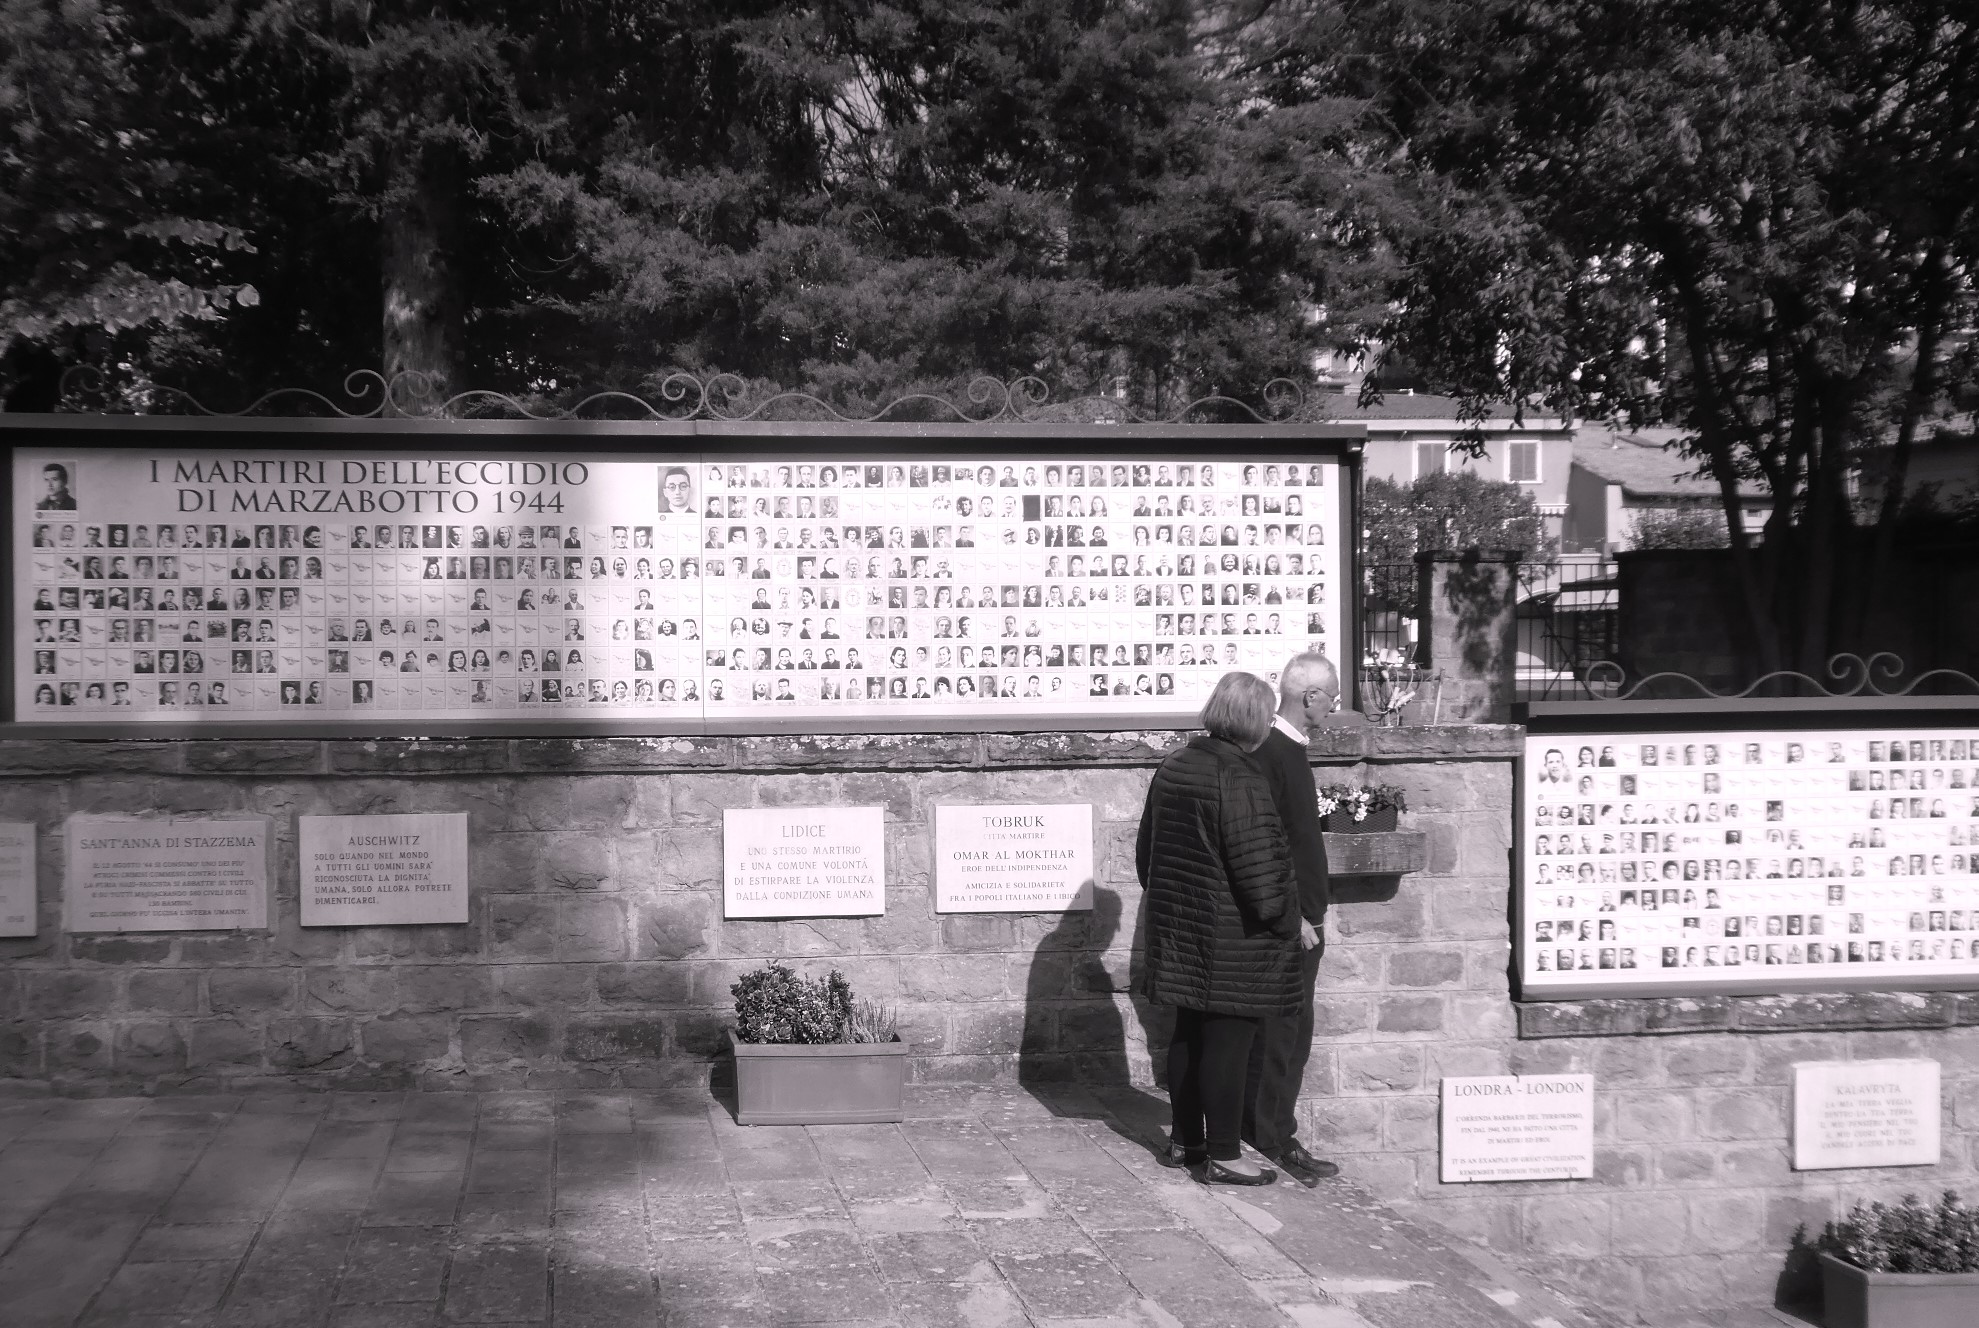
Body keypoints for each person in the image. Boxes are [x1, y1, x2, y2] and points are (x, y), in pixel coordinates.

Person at [1137, 671, 1303, 1185]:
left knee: (1188, 1033)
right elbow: (1262, 877)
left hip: (1184, 928)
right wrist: (1286, 920)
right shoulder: (1242, 777)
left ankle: (1186, 1141)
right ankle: (1226, 1154)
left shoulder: (1174, 766)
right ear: (1255, 721)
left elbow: (1148, 854)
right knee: (1229, 1043)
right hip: (1235, 939)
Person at [1239, 652, 1339, 1185]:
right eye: (1331, 697)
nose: (1334, 707)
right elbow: (1272, 845)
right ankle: (1272, 1136)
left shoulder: (1287, 750)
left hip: (1304, 917)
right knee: (1284, 1035)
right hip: (1290, 925)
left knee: (1289, 1035)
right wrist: (1298, 916)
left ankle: (1270, 1129)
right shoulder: (1275, 752)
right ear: (1309, 697)